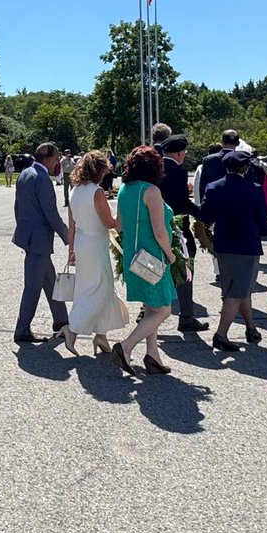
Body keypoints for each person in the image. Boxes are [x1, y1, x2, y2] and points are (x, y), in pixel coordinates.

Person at [111, 146, 177, 375]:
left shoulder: (124, 190)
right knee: (163, 309)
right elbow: (160, 233)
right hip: (151, 257)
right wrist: (171, 255)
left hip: (133, 257)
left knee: (152, 307)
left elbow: (119, 225)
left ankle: (153, 356)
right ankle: (126, 346)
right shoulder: (151, 191)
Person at [199, 150, 267, 350]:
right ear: (246, 168)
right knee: (236, 291)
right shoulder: (254, 189)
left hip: (223, 244)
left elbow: (205, 215)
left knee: (238, 287)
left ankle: (251, 327)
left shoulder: (213, 187)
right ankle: (221, 335)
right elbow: (264, 220)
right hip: (247, 245)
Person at [58, 150, 127, 355]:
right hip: (95, 243)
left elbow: (71, 225)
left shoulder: (75, 190)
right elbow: (109, 223)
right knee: (101, 289)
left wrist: (71, 250)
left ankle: (101, 334)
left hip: (81, 242)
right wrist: (121, 213)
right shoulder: (96, 192)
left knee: (87, 288)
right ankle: (72, 329)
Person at [11, 142, 70, 343]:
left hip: (30, 237)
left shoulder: (25, 174)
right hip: (39, 240)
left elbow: (17, 207)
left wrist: (23, 231)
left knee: (49, 280)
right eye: (56, 158)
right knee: (33, 286)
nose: (57, 162)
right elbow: (51, 213)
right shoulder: (43, 178)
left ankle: (62, 321)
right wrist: (67, 235)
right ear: (48, 158)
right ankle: (22, 328)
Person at [159, 134, 208, 332]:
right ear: (179, 153)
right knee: (185, 272)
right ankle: (186, 316)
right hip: (177, 227)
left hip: (157, 226)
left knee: (158, 271)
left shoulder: (155, 168)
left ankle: (148, 313)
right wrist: (202, 213)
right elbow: (181, 203)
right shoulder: (178, 172)